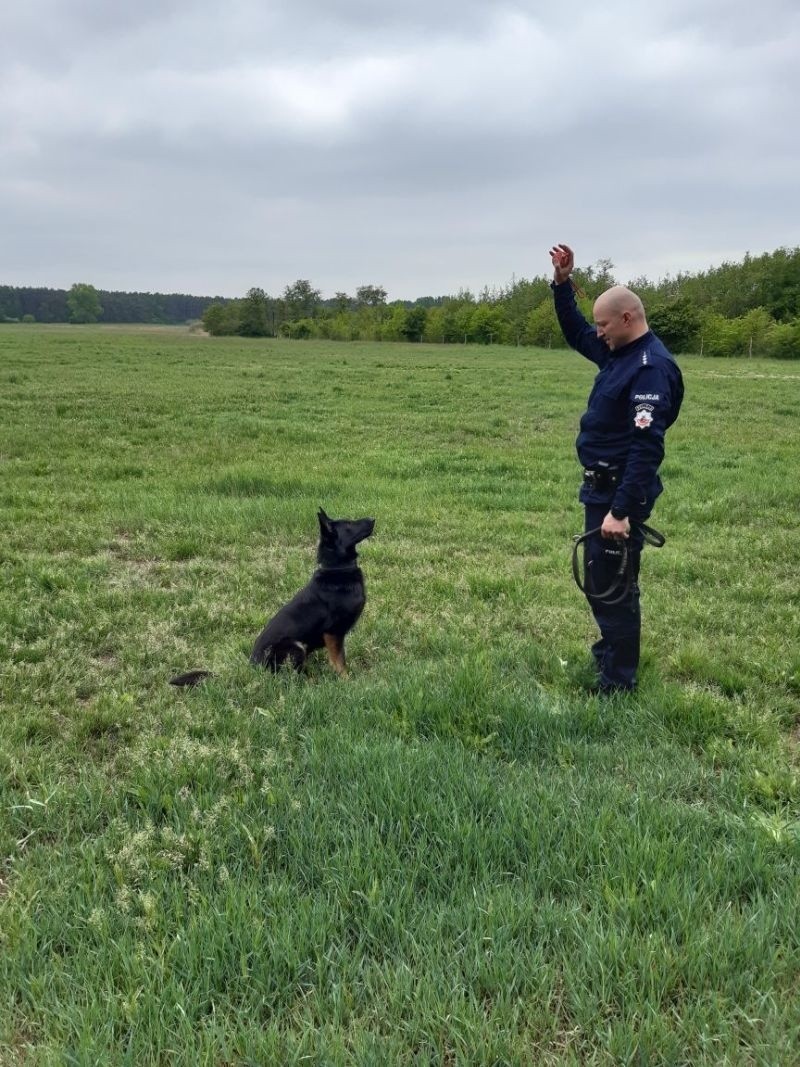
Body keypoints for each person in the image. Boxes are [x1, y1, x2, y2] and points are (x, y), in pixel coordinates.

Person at [549, 243, 684, 694]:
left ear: (628, 319)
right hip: (601, 488)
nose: (599, 332)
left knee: (614, 585)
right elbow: (576, 332)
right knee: (602, 580)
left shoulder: (650, 369)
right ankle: (609, 656)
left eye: (604, 324)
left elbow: (647, 450)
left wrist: (622, 511)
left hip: (619, 493)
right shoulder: (618, 352)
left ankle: (617, 683)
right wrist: (562, 285)